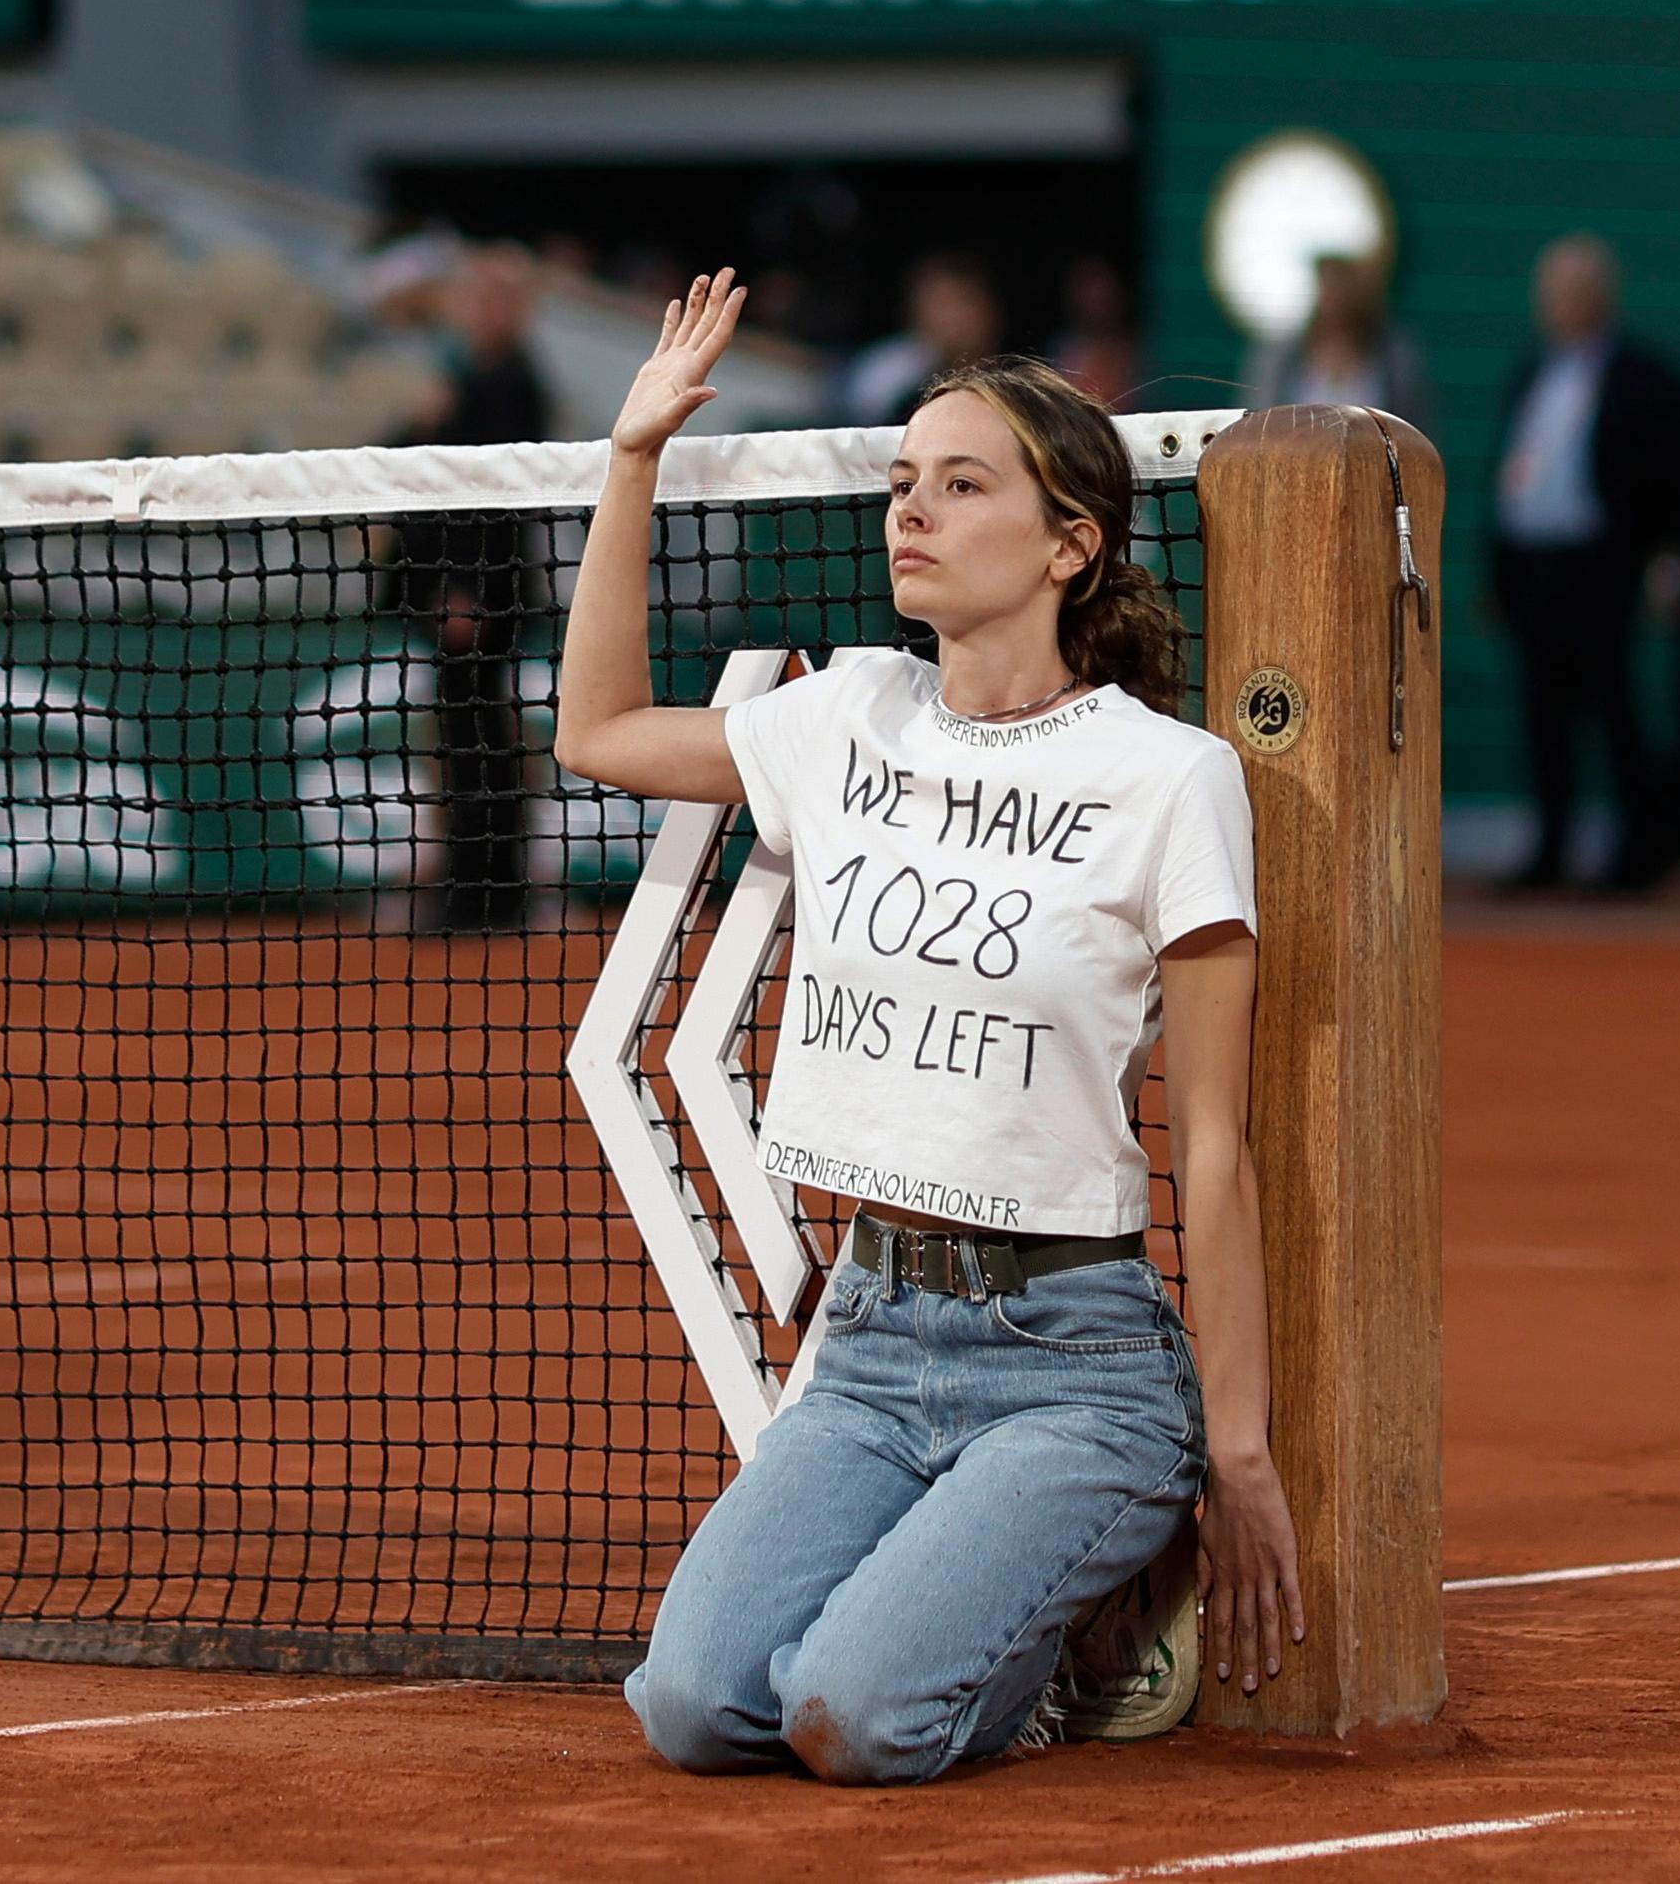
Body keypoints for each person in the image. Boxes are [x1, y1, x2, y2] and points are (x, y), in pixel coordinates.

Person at [560, 273, 1305, 1784]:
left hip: (1074, 1360)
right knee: (694, 1706)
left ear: (1070, 543)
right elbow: (598, 732)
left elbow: (1214, 1148)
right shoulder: (846, 716)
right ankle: (975, 1601)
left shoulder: (1172, 779)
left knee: (854, 1720)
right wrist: (629, 456)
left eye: (963, 486)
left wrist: (1236, 1449)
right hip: (874, 1341)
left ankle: (1068, 1633)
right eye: (903, 482)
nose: (912, 510)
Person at [1489, 234, 1680, 893]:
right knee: (1541, 715)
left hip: (1603, 567)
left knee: (1613, 712)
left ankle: (1636, 855)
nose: (1562, 304)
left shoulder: (1642, 376)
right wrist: (1501, 572)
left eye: (1576, 292)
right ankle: (1550, 849)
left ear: (1602, 298)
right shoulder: (1532, 371)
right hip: (1536, 567)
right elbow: (1507, 476)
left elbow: (1668, 478)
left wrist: (1661, 556)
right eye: (1553, 293)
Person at [402, 240, 551, 933]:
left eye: (496, 298)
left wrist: (467, 591)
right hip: (463, 594)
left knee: (480, 742)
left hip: (485, 597)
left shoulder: (512, 386)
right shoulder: (464, 378)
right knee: (466, 739)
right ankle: (477, 886)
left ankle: (486, 893)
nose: (481, 311)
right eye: (475, 297)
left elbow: (489, 505)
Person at [1243, 252, 1433, 432]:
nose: (1334, 298)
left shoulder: (1395, 357)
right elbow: (1256, 422)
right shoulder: (1279, 356)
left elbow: (1415, 430)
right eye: (1327, 286)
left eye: (1341, 285)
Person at [839, 251, 1000, 426]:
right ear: (916, 311)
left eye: (966, 302)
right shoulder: (885, 375)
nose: (955, 317)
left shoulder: (1018, 375)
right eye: (944, 304)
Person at [1047, 254, 1137, 410]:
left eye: (1101, 289)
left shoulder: (1137, 352)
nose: (1095, 299)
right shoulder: (1062, 352)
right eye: (1086, 289)